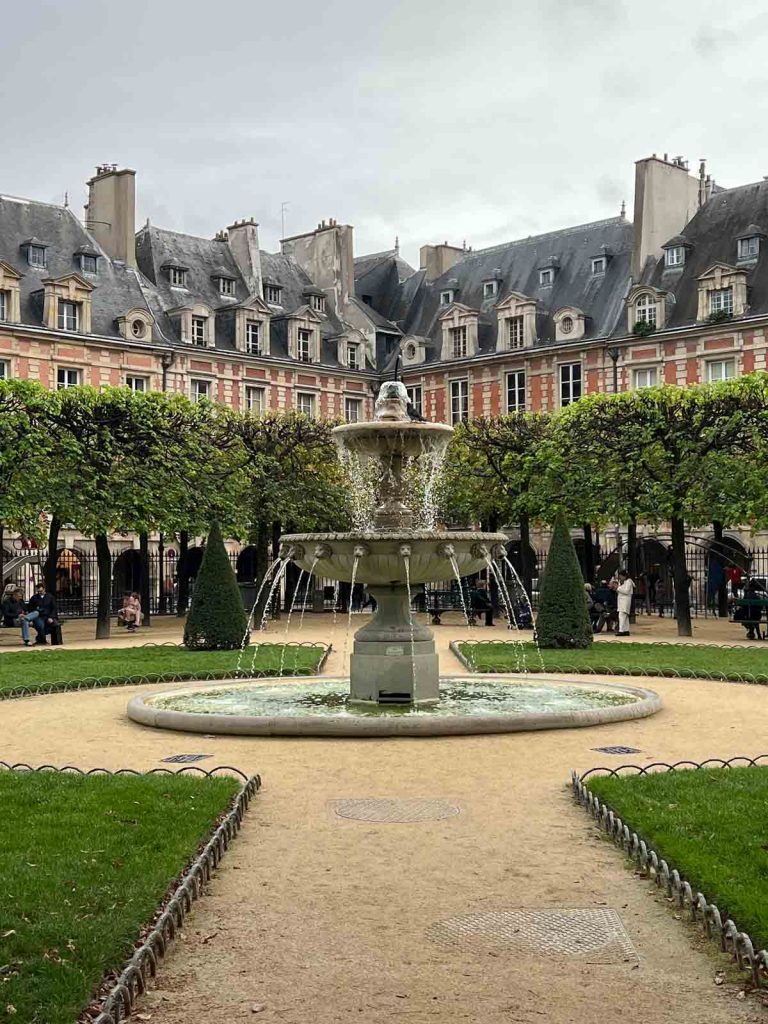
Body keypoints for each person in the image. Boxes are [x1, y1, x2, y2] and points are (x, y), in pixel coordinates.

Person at [616, 571, 635, 637]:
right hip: (622, 601)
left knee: (621, 615)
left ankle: (621, 630)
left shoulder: (629, 582)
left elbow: (626, 591)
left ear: (624, 576)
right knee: (625, 616)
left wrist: (618, 588)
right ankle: (626, 630)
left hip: (625, 601)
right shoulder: (622, 582)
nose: (620, 577)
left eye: (621, 576)